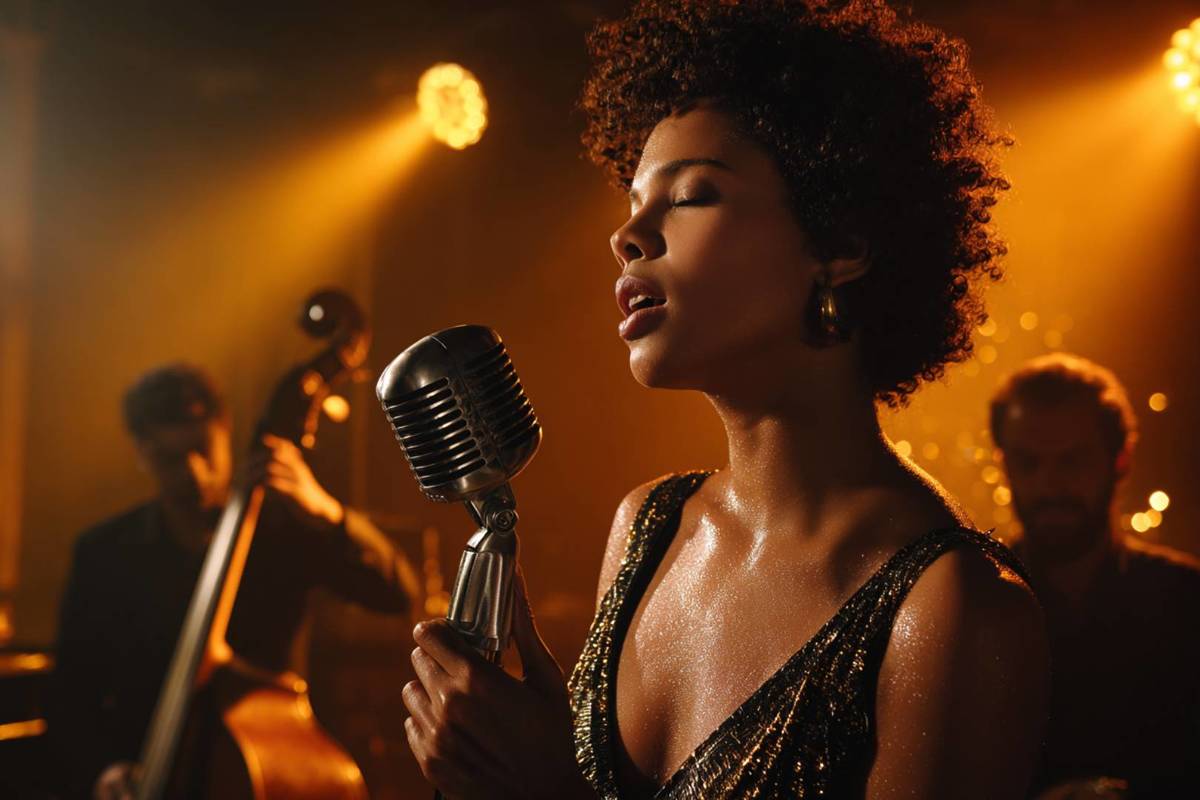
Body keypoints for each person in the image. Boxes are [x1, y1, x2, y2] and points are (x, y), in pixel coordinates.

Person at [400, 1, 1049, 797]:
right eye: (633, 199)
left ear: (839, 243)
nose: (629, 234)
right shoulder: (647, 528)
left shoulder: (955, 611)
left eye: (692, 194)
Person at [48, 364, 420, 799]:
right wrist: (102, 771)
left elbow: (399, 593)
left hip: (268, 761)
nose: (192, 471)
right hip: (145, 773)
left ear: (225, 434)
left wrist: (326, 511)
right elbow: (70, 693)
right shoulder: (104, 550)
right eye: (169, 458)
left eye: (202, 449)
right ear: (140, 452)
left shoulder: (283, 530)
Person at [990, 353, 1200, 798]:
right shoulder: (972, 603)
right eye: (1029, 463)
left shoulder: (1186, 603)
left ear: (1120, 460)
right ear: (1005, 465)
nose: (1050, 485)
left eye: (1072, 461)